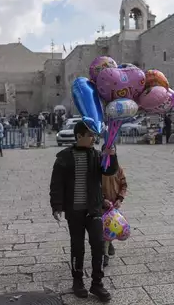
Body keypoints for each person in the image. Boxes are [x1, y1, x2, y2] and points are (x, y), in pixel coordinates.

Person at [50, 121, 118, 302]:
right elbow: (56, 184)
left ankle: (97, 283)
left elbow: (109, 170)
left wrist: (112, 155)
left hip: (93, 210)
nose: (93, 138)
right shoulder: (64, 157)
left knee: (98, 245)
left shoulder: (96, 156)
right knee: (77, 247)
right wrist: (56, 206)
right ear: (79, 137)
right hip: (74, 212)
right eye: (90, 136)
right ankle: (77, 281)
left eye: (94, 135)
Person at [101, 146, 128, 267]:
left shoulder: (118, 169)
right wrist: (102, 200)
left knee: (111, 228)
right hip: (101, 205)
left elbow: (124, 185)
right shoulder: (99, 169)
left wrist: (120, 199)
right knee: (102, 229)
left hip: (114, 206)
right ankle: (104, 253)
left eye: (113, 150)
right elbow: (94, 186)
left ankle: (107, 247)